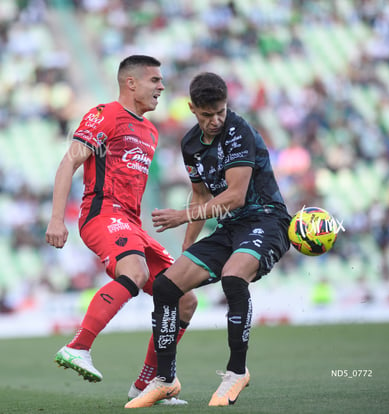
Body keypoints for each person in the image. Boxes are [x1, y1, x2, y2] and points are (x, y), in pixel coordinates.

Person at [125, 72, 291, 408]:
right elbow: (200, 196)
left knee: (233, 276)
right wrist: (188, 245)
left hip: (267, 220)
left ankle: (236, 371)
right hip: (228, 230)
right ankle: (166, 380)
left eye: (220, 112)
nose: (215, 120)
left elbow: (236, 197)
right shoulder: (190, 145)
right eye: (206, 115)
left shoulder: (239, 131)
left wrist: (182, 217)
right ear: (192, 109)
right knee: (167, 286)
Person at [45, 55, 197, 405]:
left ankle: (148, 383)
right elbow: (69, 161)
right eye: (154, 80)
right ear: (131, 83)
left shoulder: (151, 130)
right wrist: (56, 219)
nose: (161, 87)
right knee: (135, 270)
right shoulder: (105, 115)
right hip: (102, 215)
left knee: (184, 297)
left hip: (131, 223)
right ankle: (78, 346)